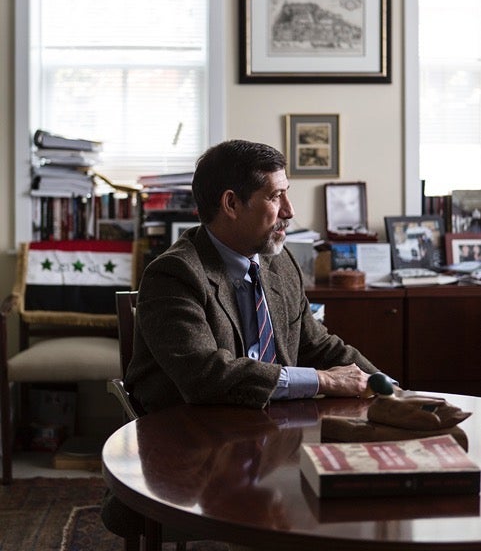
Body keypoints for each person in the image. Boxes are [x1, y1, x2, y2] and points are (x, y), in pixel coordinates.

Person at [124, 139, 381, 412]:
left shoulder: (279, 263)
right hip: (190, 433)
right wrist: (322, 380)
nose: (289, 210)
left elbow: (317, 346)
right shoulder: (174, 275)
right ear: (231, 204)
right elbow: (206, 376)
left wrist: (388, 387)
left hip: (272, 427)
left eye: (286, 193)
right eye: (275, 196)